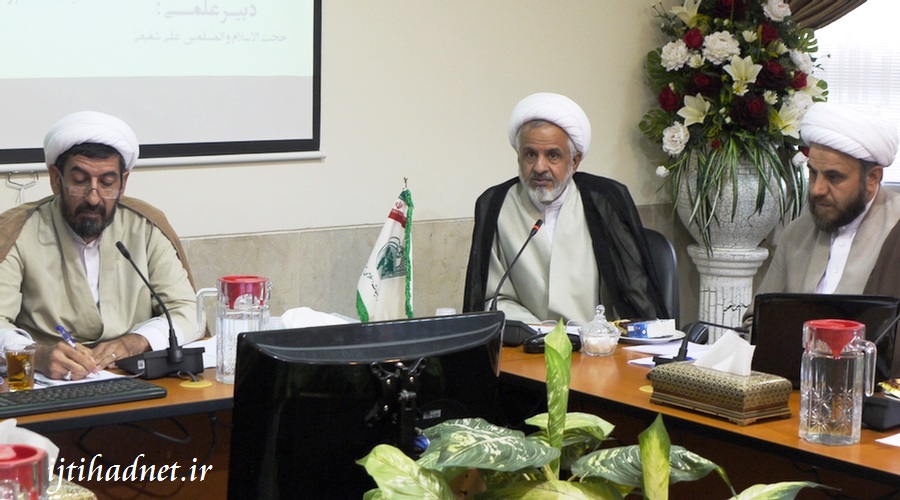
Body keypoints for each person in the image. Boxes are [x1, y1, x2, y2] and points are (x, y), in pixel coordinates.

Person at [0, 111, 198, 380]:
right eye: (80, 181)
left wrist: (136, 341)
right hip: (48, 383)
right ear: (56, 179)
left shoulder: (146, 227)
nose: (93, 198)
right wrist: (36, 355)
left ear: (123, 183)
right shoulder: (16, 231)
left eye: (107, 183)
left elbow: (187, 312)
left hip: (132, 378)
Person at [463, 92, 668, 324]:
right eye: (530, 154)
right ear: (518, 157)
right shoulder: (496, 205)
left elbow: (635, 294)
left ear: (574, 161)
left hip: (595, 341)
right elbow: (493, 299)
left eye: (553, 155)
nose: (539, 167)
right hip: (525, 340)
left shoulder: (603, 200)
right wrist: (537, 332)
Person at [748, 102, 900, 312]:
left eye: (833, 177)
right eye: (813, 173)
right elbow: (757, 319)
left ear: (873, 177)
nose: (817, 189)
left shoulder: (895, 229)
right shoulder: (797, 234)